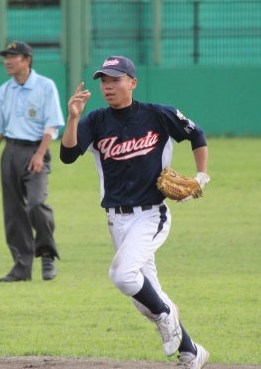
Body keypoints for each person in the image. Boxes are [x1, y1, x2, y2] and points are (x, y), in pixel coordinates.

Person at [59, 55, 211, 369]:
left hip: (151, 215)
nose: (108, 86)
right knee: (144, 301)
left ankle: (167, 315)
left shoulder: (158, 115)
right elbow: (68, 155)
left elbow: (196, 134)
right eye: (104, 81)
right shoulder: (96, 120)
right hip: (116, 219)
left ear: (133, 83)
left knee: (122, 274)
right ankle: (192, 352)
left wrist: (201, 176)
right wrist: (73, 119)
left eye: (115, 80)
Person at [0, 41, 64, 282]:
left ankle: (47, 253)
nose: (7, 61)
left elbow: (52, 124)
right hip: (11, 151)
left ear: (27, 60)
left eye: (13, 57)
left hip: (35, 149)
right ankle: (21, 268)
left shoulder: (45, 86)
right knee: (13, 211)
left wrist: (40, 154)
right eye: (6, 57)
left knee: (36, 203)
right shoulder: (3, 92)